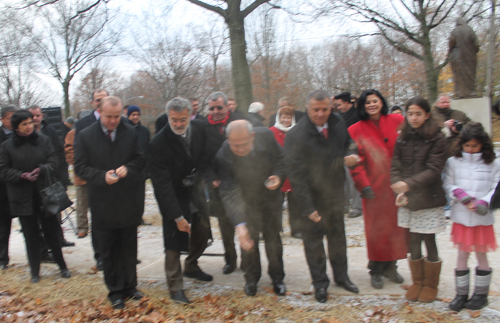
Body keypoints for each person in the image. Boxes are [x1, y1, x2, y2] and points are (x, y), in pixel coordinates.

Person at [284, 90, 360, 303]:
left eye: (324, 109)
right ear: (307, 108)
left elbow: (348, 143)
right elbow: (296, 176)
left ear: (331, 108)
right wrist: (307, 208)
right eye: (315, 109)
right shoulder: (295, 135)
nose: (320, 114)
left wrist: (349, 155)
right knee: (314, 242)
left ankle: (342, 277)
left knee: (337, 238)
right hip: (311, 197)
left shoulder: (337, 121)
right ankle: (320, 284)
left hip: (335, 194)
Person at [75, 96, 145, 309]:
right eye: (109, 117)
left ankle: (130, 286)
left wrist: (129, 169)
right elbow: (80, 167)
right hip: (103, 201)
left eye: (117, 116)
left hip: (127, 199)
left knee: (128, 245)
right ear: (99, 112)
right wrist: (100, 176)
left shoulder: (130, 133)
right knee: (109, 248)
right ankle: (115, 291)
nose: (113, 121)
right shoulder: (86, 135)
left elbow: (141, 159)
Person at [148, 97, 211, 304]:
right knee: (174, 240)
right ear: (168, 117)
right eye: (173, 119)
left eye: (182, 119)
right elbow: (161, 185)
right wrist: (176, 216)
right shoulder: (158, 143)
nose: (178, 124)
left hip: (194, 190)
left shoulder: (200, 128)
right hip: (172, 193)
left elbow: (205, 156)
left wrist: (198, 174)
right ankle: (175, 286)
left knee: (202, 228)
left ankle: (192, 265)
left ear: (190, 116)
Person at [215, 120, 286, 297]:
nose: (240, 149)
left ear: (252, 136)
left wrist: (277, 176)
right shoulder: (223, 154)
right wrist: (240, 225)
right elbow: (229, 192)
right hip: (245, 200)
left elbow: (281, 159)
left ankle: (277, 278)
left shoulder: (267, 136)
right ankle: (251, 279)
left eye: (245, 144)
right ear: (228, 140)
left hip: (269, 197)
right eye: (235, 145)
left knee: (273, 239)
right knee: (248, 241)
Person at [0, 110, 71, 283]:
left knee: (51, 232)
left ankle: (62, 266)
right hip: (22, 196)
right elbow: (3, 170)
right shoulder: (7, 147)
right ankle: (35, 272)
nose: (29, 127)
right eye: (24, 124)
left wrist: (42, 169)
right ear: (16, 127)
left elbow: (54, 161)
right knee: (30, 235)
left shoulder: (44, 140)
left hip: (44, 194)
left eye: (30, 122)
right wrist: (21, 175)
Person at [390, 96, 448, 303]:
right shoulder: (402, 137)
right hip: (408, 199)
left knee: (428, 239)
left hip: (429, 198)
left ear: (427, 115)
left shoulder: (437, 138)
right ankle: (417, 281)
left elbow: (434, 170)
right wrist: (398, 186)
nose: (413, 118)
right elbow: (395, 164)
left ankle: (430, 284)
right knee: (412, 240)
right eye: (410, 113)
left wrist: (409, 184)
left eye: (418, 113)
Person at [348, 89, 407, 290]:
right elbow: (355, 162)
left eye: (375, 101)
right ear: (362, 106)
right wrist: (363, 184)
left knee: (395, 229)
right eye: (367, 102)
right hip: (373, 187)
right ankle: (375, 269)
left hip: (396, 186)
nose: (372, 105)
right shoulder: (355, 129)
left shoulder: (397, 120)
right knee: (375, 231)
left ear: (382, 102)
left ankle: (391, 266)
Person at [443, 122, 500, 312]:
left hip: (481, 219)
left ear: (483, 144)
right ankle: (461, 294)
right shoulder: (453, 162)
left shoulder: (493, 163)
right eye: (468, 146)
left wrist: (484, 202)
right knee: (462, 254)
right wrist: (459, 194)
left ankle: (481, 295)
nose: (471, 149)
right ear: (462, 144)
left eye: (475, 146)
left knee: (481, 254)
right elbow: (448, 183)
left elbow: (495, 187)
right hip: (462, 217)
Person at [204, 92, 245, 275]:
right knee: (225, 224)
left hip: (241, 181)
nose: (215, 111)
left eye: (219, 107)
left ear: (227, 106)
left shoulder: (240, 120)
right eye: (212, 108)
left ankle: (247, 258)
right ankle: (230, 259)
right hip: (218, 184)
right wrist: (211, 177)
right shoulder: (204, 127)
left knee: (245, 221)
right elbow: (203, 158)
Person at [28, 105, 74, 248]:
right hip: (34, 180)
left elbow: (60, 153)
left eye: (38, 115)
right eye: (32, 116)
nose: (35, 118)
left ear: (42, 116)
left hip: (51, 177)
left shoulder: (50, 131)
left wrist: (61, 175)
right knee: (38, 214)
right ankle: (44, 244)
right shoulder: (25, 133)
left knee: (55, 210)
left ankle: (59, 239)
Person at [74, 89, 109, 269]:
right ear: (92, 103)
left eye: (103, 99)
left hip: (113, 178)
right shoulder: (83, 124)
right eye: (97, 100)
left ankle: (114, 254)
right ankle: (100, 256)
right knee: (97, 219)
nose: (100, 103)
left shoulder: (116, 120)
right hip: (94, 178)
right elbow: (79, 153)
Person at [269, 107, 300, 238]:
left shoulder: (297, 131)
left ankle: (296, 229)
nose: (286, 120)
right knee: (275, 203)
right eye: (283, 117)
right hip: (277, 170)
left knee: (295, 203)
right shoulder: (271, 132)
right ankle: (275, 228)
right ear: (278, 118)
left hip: (293, 171)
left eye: (288, 117)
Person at [64, 111, 93, 239]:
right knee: (82, 203)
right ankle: (82, 227)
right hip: (81, 175)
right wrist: (79, 163)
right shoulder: (72, 134)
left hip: (96, 174)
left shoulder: (94, 132)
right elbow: (68, 152)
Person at [334, 92, 362, 219]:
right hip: (341, 151)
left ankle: (357, 207)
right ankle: (344, 204)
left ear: (347, 102)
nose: (338, 107)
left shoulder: (358, 115)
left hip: (355, 151)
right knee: (342, 179)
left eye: (339, 105)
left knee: (353, 179)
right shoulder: (340, 116)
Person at [127, 105, 151, 226]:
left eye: (137, 114)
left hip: (142, 169)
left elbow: (147, 149)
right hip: (129, 169)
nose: (135, 117)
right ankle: (130, 217)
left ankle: (139, 217)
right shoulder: (124, 129)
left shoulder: (144, 131)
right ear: (128, 116)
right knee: (129, 196)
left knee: (140, 196)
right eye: (133, 115)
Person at [0, 106, 16, 270]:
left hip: (21, 186)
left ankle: (40, 253)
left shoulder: (22, 135)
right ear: (2, 119)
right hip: (3, 187)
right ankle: (2, 258)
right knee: (3, 225)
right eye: (10, 118)